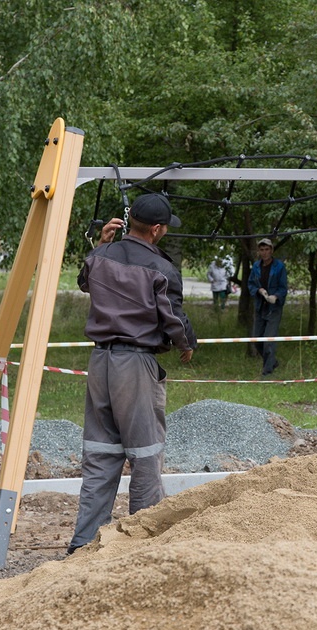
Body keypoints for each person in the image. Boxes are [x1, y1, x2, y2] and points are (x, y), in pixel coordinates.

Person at [68, 193, 198, 555]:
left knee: (100, 453)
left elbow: (84, 281)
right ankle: (142, 546)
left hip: (100, 364)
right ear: (156, 229)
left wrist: (101, 245)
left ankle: (81, 545)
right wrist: (187, 344)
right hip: (136, 366)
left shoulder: (101, 256)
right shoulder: (161, 269)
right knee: (145, 455)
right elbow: (172, 316)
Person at [247, 237, 288, 376]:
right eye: (262, 250)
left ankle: (267, 373)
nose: (264, 252)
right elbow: (251, 284)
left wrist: (275, 297)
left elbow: (283, 288)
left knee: (269, 341)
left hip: (274, 308)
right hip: (260, 306)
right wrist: (259, 291)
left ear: (272, 250)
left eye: (267, 249)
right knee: (257, 339)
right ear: (259, 251)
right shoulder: (256, 266)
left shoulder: (279, 267)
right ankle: (272, 362)